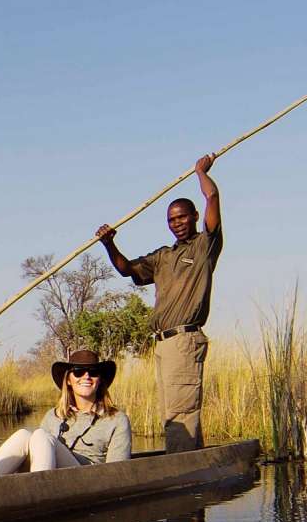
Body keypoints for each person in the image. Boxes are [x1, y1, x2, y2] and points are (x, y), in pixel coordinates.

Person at [95, 154, 223, 452]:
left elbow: (212, 196)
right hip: (163, 344)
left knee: (181, 411)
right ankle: (188, 464)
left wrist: (200, 172)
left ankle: (182, 470)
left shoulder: (205, 246)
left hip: (184, 340)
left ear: (193, 217)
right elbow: (127, 269)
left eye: (181, 217)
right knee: (173, 413)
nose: (176, 223)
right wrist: (108, 243)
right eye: (171, 219)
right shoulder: (163, 256)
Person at [0, 349, 132, 478]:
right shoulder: (53, 415)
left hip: (87, 480)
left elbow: (116, 474)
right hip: (53, 477)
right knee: (24, 435)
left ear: (100, 379)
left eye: (93, 372)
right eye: (78, 372)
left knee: (41, 436)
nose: (86, 376)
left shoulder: (117, 420)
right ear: (68, 380)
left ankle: (39, 492)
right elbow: (40, 451)